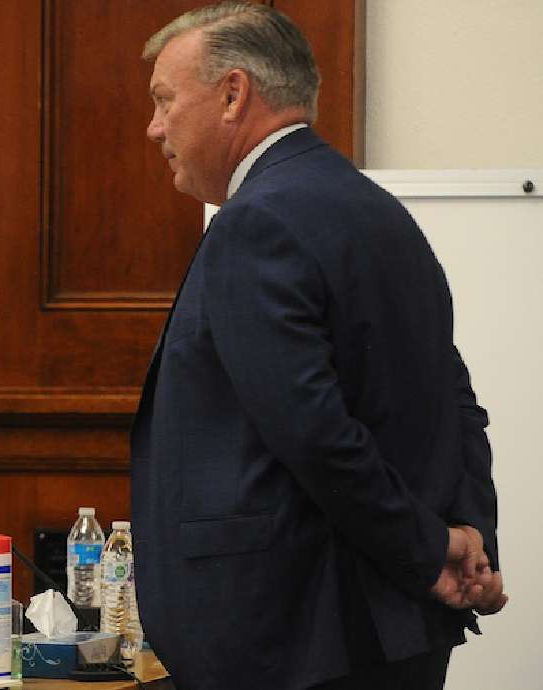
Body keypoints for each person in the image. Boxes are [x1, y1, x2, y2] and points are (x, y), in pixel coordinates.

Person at [128, 3, 506, 689]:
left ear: (233, 94)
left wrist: (430, 550)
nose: (155, 127)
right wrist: (468, 536)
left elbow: (312, 431)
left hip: (292, 637)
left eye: (164, 100)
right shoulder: (382, 214)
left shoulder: (256, 222)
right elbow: (455, 404)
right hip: (393, 630)